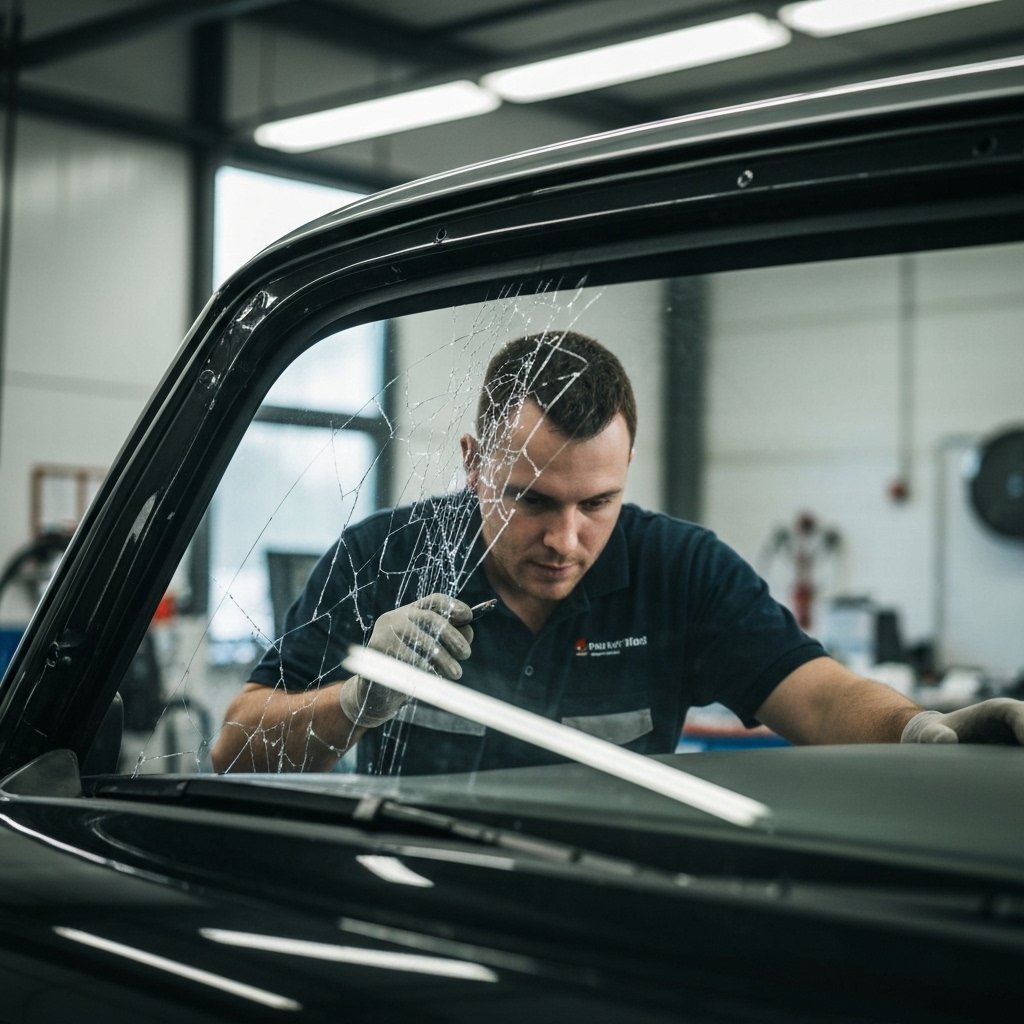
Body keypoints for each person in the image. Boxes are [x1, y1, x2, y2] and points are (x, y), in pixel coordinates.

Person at [210, 331, 1024, 774]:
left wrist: (920, 732)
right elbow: (234, 746)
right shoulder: (381, 556)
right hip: (409, 905)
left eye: (596, 503)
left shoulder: (683, 572)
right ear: (472, 462)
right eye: (531, 500)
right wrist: (357, 700)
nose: (566, 541)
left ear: (627, 467)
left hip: (608, 914)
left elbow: (816, 699)